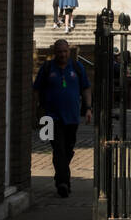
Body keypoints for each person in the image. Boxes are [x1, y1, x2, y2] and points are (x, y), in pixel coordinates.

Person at [33, 39, 91, 198]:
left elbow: (86, 88)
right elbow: (36, 90)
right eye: (59, 52)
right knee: (57, 148)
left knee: (67, 149)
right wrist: (38, 110)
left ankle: (60, 175)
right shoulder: (46, 68)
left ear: (69, 52)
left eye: (65, 51)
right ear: (54, 52)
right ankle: (63, 183)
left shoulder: (77, 68)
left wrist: (88, 109)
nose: (62, 54)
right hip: (49, 117)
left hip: (72, 116)